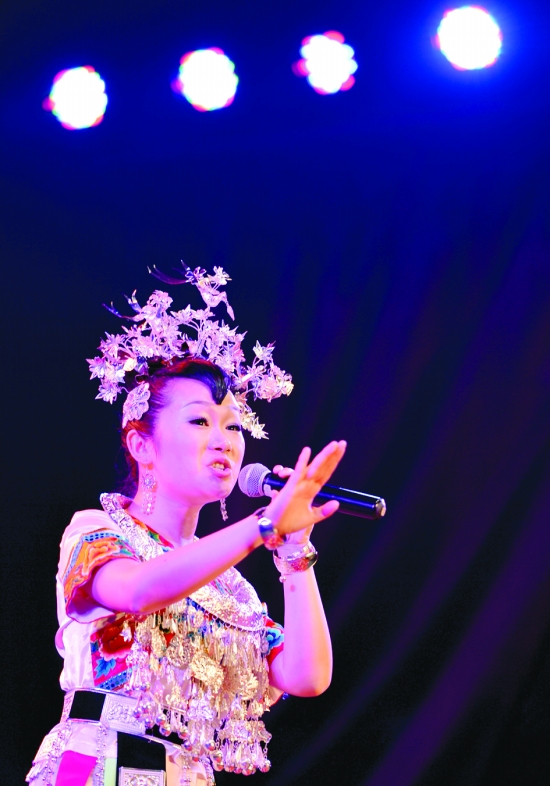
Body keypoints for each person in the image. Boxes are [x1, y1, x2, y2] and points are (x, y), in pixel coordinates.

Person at [26, 268, 346, 786]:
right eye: (200, 421)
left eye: (234, 426)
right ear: (142, 445)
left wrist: (295, 553)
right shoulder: (98, 530)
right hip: (99, 764)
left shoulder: (231, 586)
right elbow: (139, 591)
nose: (225, 441)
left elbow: (307, 676)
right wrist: (263, 524)